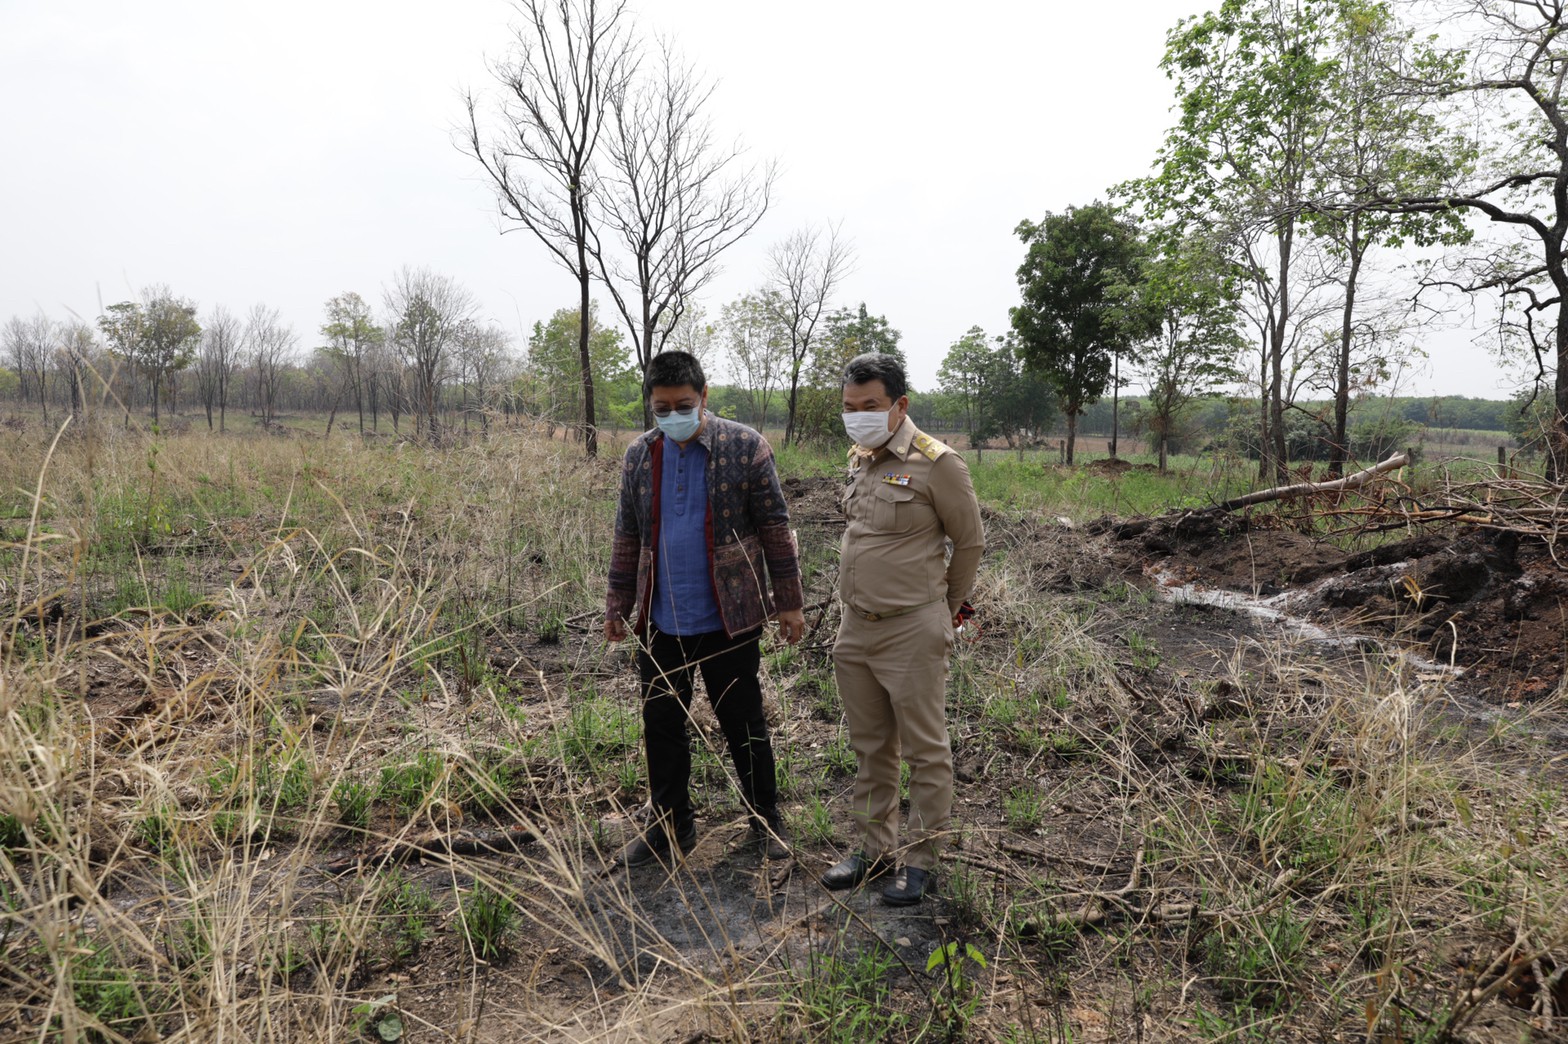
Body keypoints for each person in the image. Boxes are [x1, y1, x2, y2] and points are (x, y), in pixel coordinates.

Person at [604, 351, 806, 867]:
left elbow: (775, 529)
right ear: (651, 404)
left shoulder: (746, 447)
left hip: (729, 617)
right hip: (659, 617)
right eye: (662, 408)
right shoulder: (639, 456)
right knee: (661, 723)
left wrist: (789, 603)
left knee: (743, 720)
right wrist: (618, 604)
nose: (673, 416)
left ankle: (765, 820)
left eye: (684, 405)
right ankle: (671, 826)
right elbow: (628, 535)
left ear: (705, 397)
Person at [823, 352, 984, 905]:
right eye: (850, 407)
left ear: (899, 405)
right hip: (856, 628)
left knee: (924, 749)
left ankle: (923, 859)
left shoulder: (939, 465)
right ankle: (874, 851)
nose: (859, 416)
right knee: (871, 747)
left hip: (912, 628)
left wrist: (946, 608)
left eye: (870, 406)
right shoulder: (859, 458)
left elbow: (969, 543)